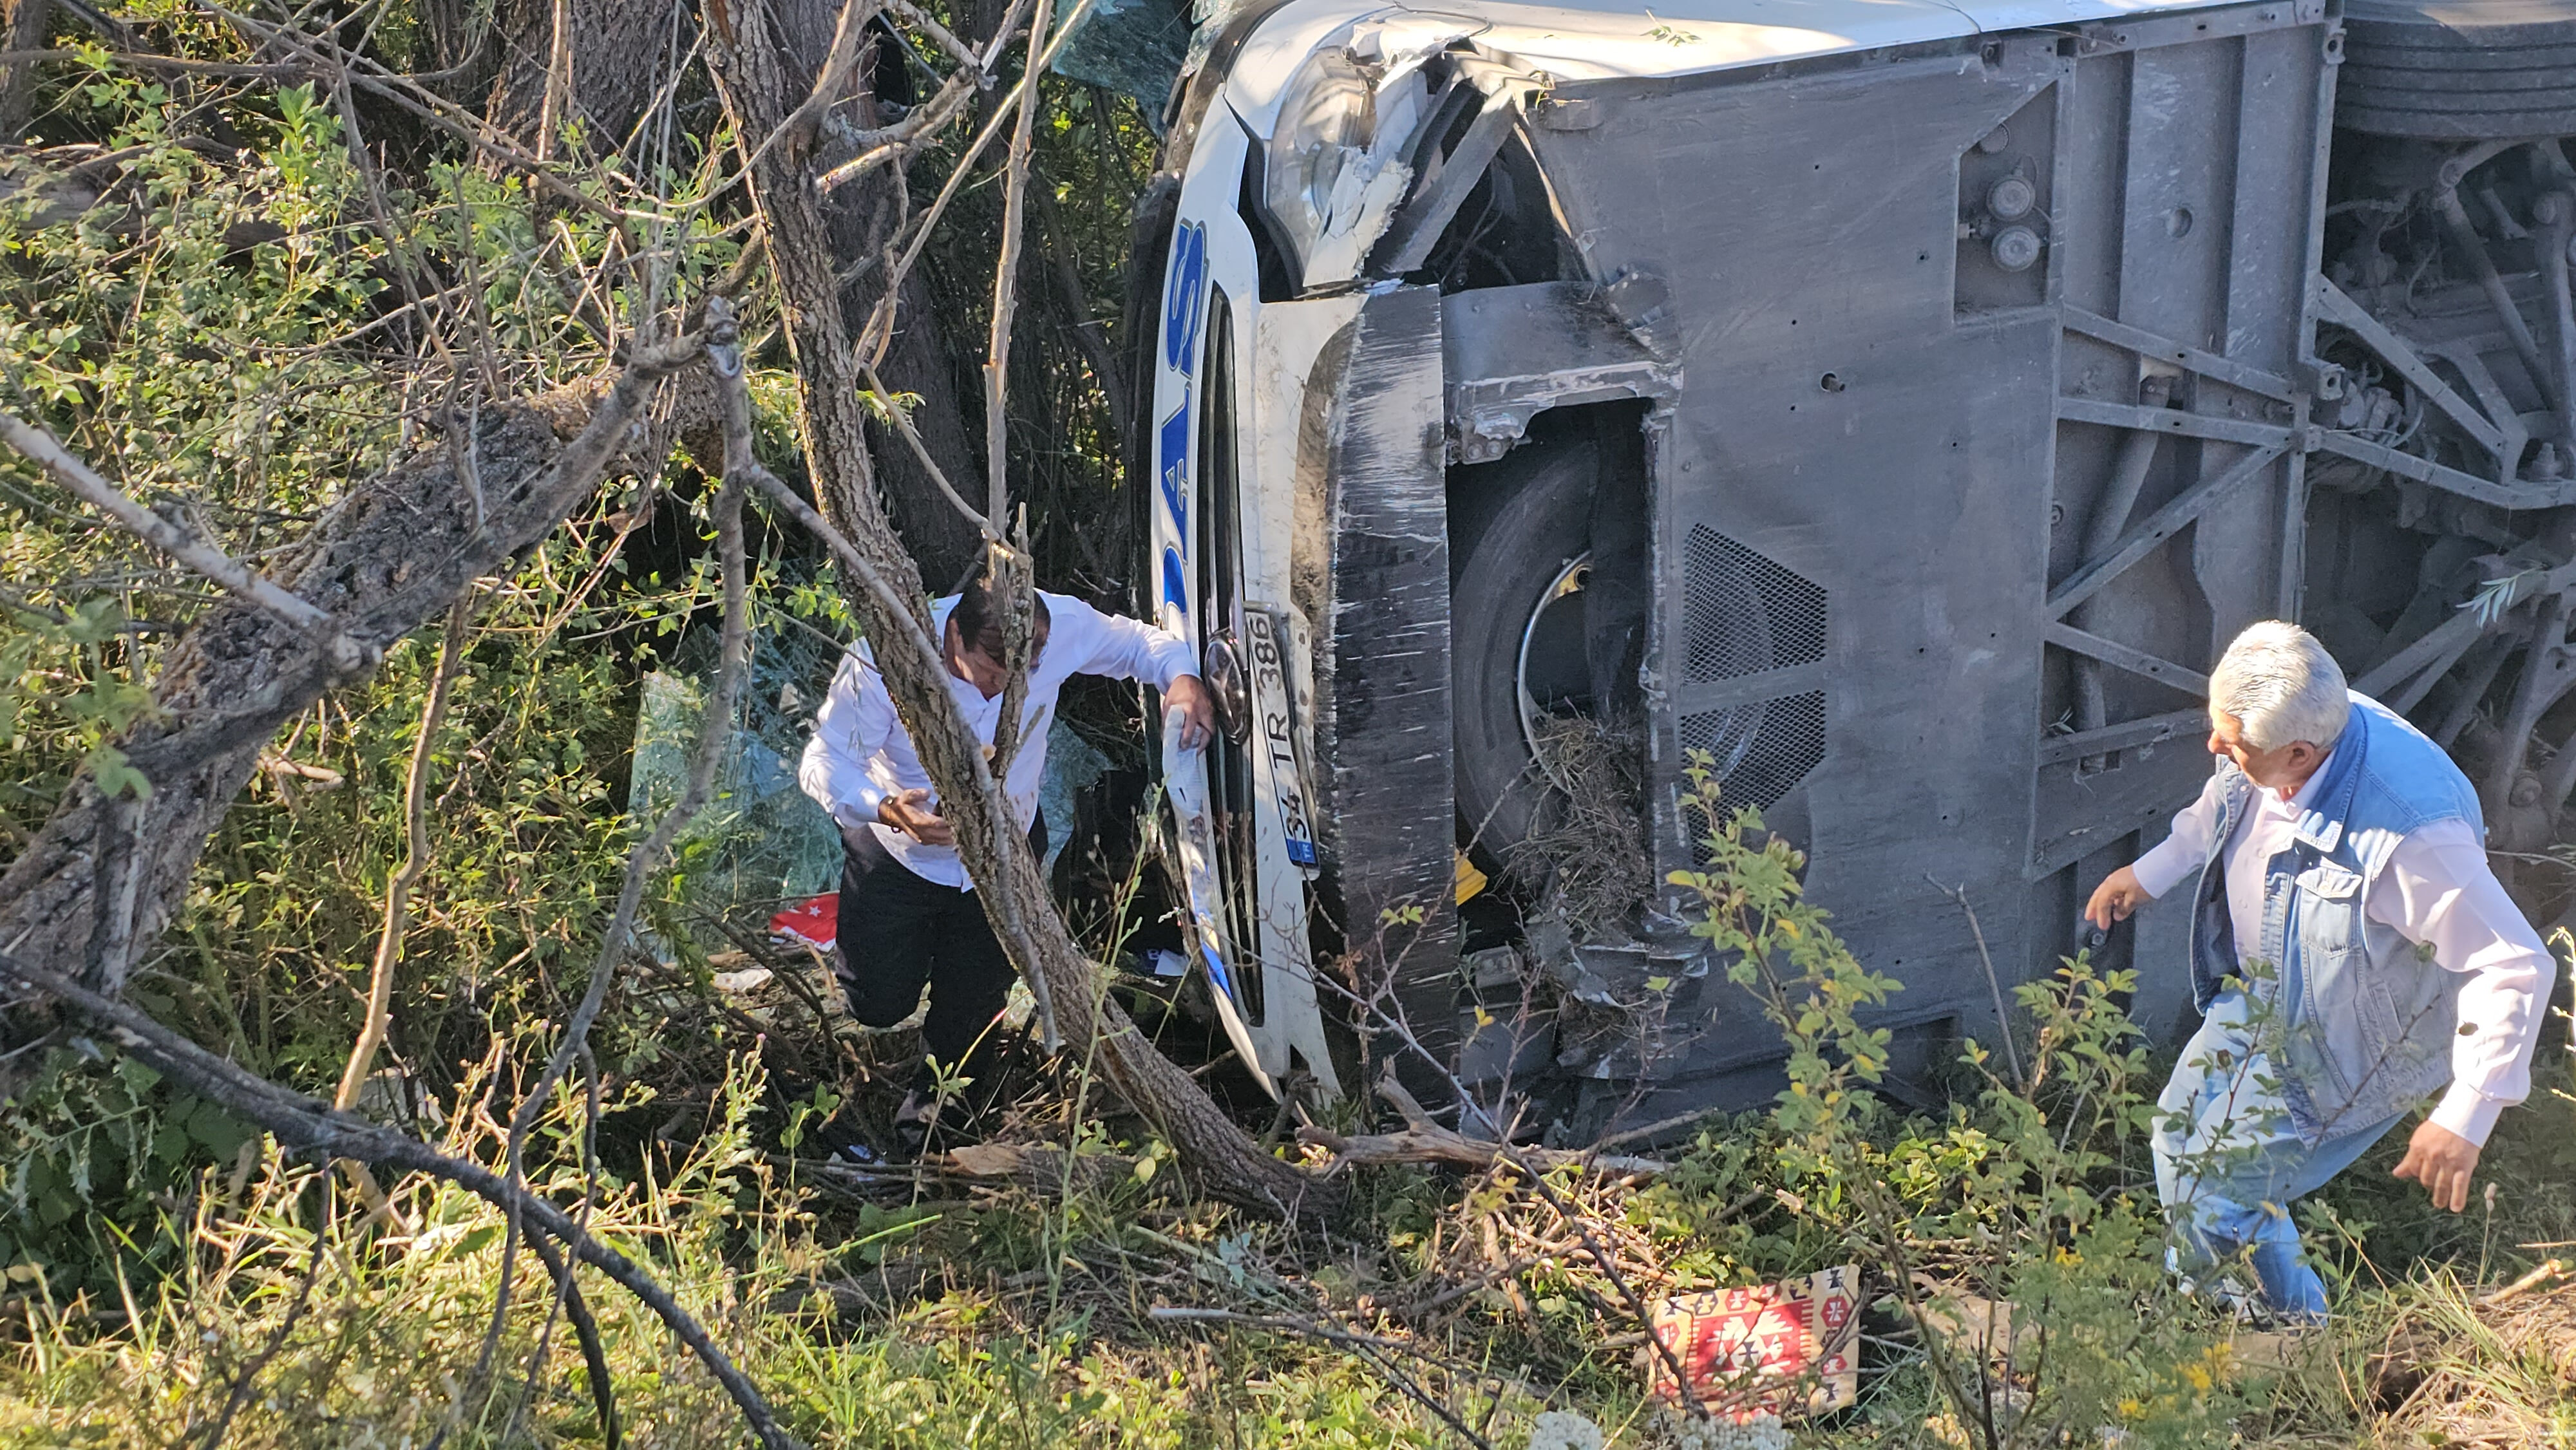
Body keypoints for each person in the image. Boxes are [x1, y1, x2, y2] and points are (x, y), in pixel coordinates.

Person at [2083, 620, 2553, 1319]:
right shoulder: (2289, 723)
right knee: (2177, 1131)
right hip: (2261, 991)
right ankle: (2208, 1307)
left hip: (2341, 1034)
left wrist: (2466, 1112)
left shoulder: (2410, 836)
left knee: (2223, 1192)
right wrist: (2149, 872)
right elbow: (2222, 803)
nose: (2214, 746)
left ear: (2300, 753)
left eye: (2230, 741)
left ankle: (2295, 1335)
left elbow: (2514, 962)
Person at [799, 572, 1214, 1154]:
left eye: (1018, 680)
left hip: (1005, 854)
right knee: (878, 1001)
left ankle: (931, 1142)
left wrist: (1184, 679)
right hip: (899, 854)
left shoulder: (1060, 625)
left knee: (971, 1013)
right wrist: (888, 809)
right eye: (990, 678)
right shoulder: (882, 658)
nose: (1000, 695)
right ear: (954, 639)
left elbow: (1139, 645)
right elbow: (822, 760)